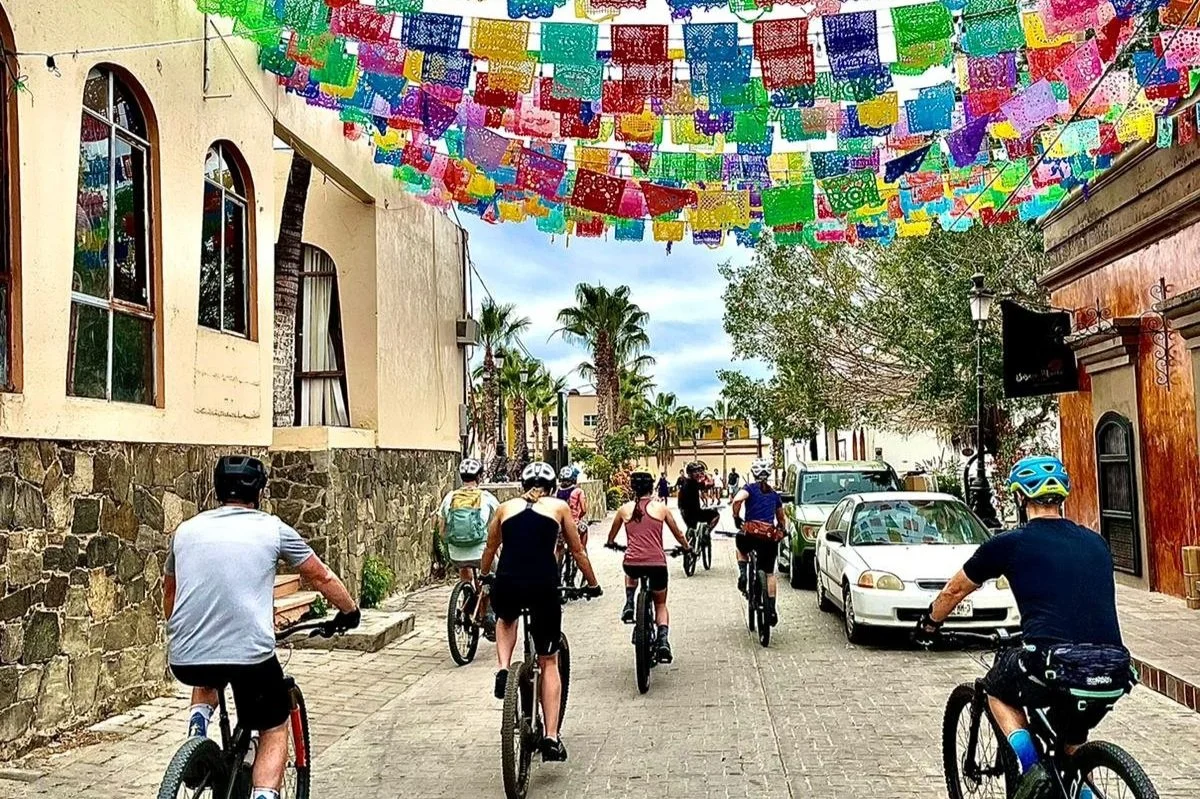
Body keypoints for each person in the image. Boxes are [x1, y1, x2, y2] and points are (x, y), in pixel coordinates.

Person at [915, 456, 1131, 799]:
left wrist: (930, 623)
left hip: (1053, 663)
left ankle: (1031, 768)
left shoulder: (1011, 543)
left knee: (995, 688)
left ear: (1019, 497)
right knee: (1071, 751)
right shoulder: (1096, 543)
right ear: (1062, 497)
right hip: (1114, 669)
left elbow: (954, 590)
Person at [164, 456, 360, 799]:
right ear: (260, 491)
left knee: (208, 672)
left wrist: (182, 629)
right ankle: (265, 794)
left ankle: (197, 730)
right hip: (250, 658)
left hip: (186, 657)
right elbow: (321, 576)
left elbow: (170, 590)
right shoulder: (272, 529)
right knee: (273, 726)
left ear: (217, 489)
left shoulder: (185, 531)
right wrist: (349, 611)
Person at [482, 462, 601, 763]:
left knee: (506, 618)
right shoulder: (559, 507)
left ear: (523, 485)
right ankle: (551, 737)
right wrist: (593, 583)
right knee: (549, 661)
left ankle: (502, 668)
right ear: (551, 487)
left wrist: (484, 576)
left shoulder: (505, 508)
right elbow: (577, 550)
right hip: (542, 586)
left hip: (508, 582)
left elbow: (490, 548)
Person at [605, 472, 691, 662]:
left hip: (632, 564)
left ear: (632, 488)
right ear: (652, 488)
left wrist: (611, 543)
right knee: (660, 604)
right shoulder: (661, 508)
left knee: (630, 565)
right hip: (657, 564)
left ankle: (629, 602)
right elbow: (678, 533)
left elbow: (611, 535)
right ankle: (663, 641)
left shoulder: (624, 509)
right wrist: (686, 547)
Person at [436, 458, 500, 636]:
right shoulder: (486, 497)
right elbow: (500, 519)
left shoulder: (450, 497)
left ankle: (467, 594)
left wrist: (452, 543)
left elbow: (441, 528)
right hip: (480, 553)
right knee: (493, 574)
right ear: (479, 477)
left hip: (456, 553)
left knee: (464, 567)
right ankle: (489, 614)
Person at [731, 458, 787, 626]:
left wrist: (736, 516)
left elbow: (737, 500)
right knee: (769, 573)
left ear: (753, 474)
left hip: (751, 535)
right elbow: (781, 518)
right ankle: (771, 608)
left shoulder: (749, 488)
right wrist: (782, 529)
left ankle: (743, 574)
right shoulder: (774, 495)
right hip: (768, 539)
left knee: (741, 546)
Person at [678, 462, 721, 535]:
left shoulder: (686, 482)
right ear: (689, 473)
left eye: (698, 471)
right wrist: (705, 473)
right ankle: (706, 533)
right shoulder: (693, 483)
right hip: (694, 513)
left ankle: (692, 536)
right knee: (715, 515)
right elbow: (711, 483)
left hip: (685, 513)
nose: (697, 473)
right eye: (695, 472)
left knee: (692, 530)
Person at [556, 466, 590, 551]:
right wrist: (578, 517)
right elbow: (584, 510)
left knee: (559, 548)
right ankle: (583, 550)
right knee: (584, 528)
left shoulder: (557, 492)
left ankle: (558, 557)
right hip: (574, 524)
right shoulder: (578, 491)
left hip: (560, 525)